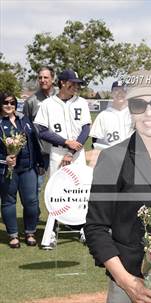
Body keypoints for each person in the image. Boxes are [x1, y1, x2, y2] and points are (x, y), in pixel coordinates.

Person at [85, 70, 151, 303]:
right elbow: (95, 228)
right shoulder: (112, 158)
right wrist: (127, 282)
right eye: (138, 104)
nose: (149, 112)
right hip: (129, 284)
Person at [34, 69, 91, 248]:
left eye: (77, 83)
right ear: (62, 83)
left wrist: (71, 152)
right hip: (57, 153)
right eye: (71, 83)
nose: (75, 86)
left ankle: (83, 228)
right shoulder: (48, 104)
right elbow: (41, 130)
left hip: (77, 153)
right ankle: (50, 232)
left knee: (81, 190)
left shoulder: (81, 102)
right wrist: (66, 143)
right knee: (56, 192)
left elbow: (86, 129)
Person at [0, 93, 44, 248]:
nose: (9, 105)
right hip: (7, 170)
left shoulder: (24, 119)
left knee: (31, 201)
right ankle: (13, 235)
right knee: (8, 202)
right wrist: (5, 160)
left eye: (13, 102)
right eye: (6, 102)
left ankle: (30, 232)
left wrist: (39, 162)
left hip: (28, 168)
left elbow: (34, 141)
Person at [23, 66, 57, 192]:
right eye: (40, 77)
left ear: (53, 79)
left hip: (60, 151)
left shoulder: (62, 97)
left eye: (46, 77)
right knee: (35, 188)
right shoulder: (31, 101)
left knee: (61, 188)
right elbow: (25, 128)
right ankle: (35, 212)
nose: (43, 80)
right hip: (40, 154)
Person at [88, 80, 134, 167]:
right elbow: (96, 143)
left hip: (132, 161)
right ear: (112, 93)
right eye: (116, 90)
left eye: (123, 90)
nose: (120, 93)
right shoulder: (103, 116)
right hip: (111, 163)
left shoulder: (135, 114)